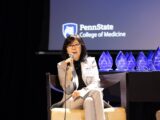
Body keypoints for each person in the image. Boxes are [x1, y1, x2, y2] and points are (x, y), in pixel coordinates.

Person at [52, 34, 108, 120]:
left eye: (76, 44)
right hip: (71, 100)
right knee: (97, 92)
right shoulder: (62, 65)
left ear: (81, 47)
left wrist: (81, 92)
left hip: (89, 96)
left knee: (89, 101)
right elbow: (68, 90)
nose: (73, 47)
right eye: (70, 45)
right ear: (66, 49)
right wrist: (69, 70)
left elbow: (95, 83)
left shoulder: (90, 61)